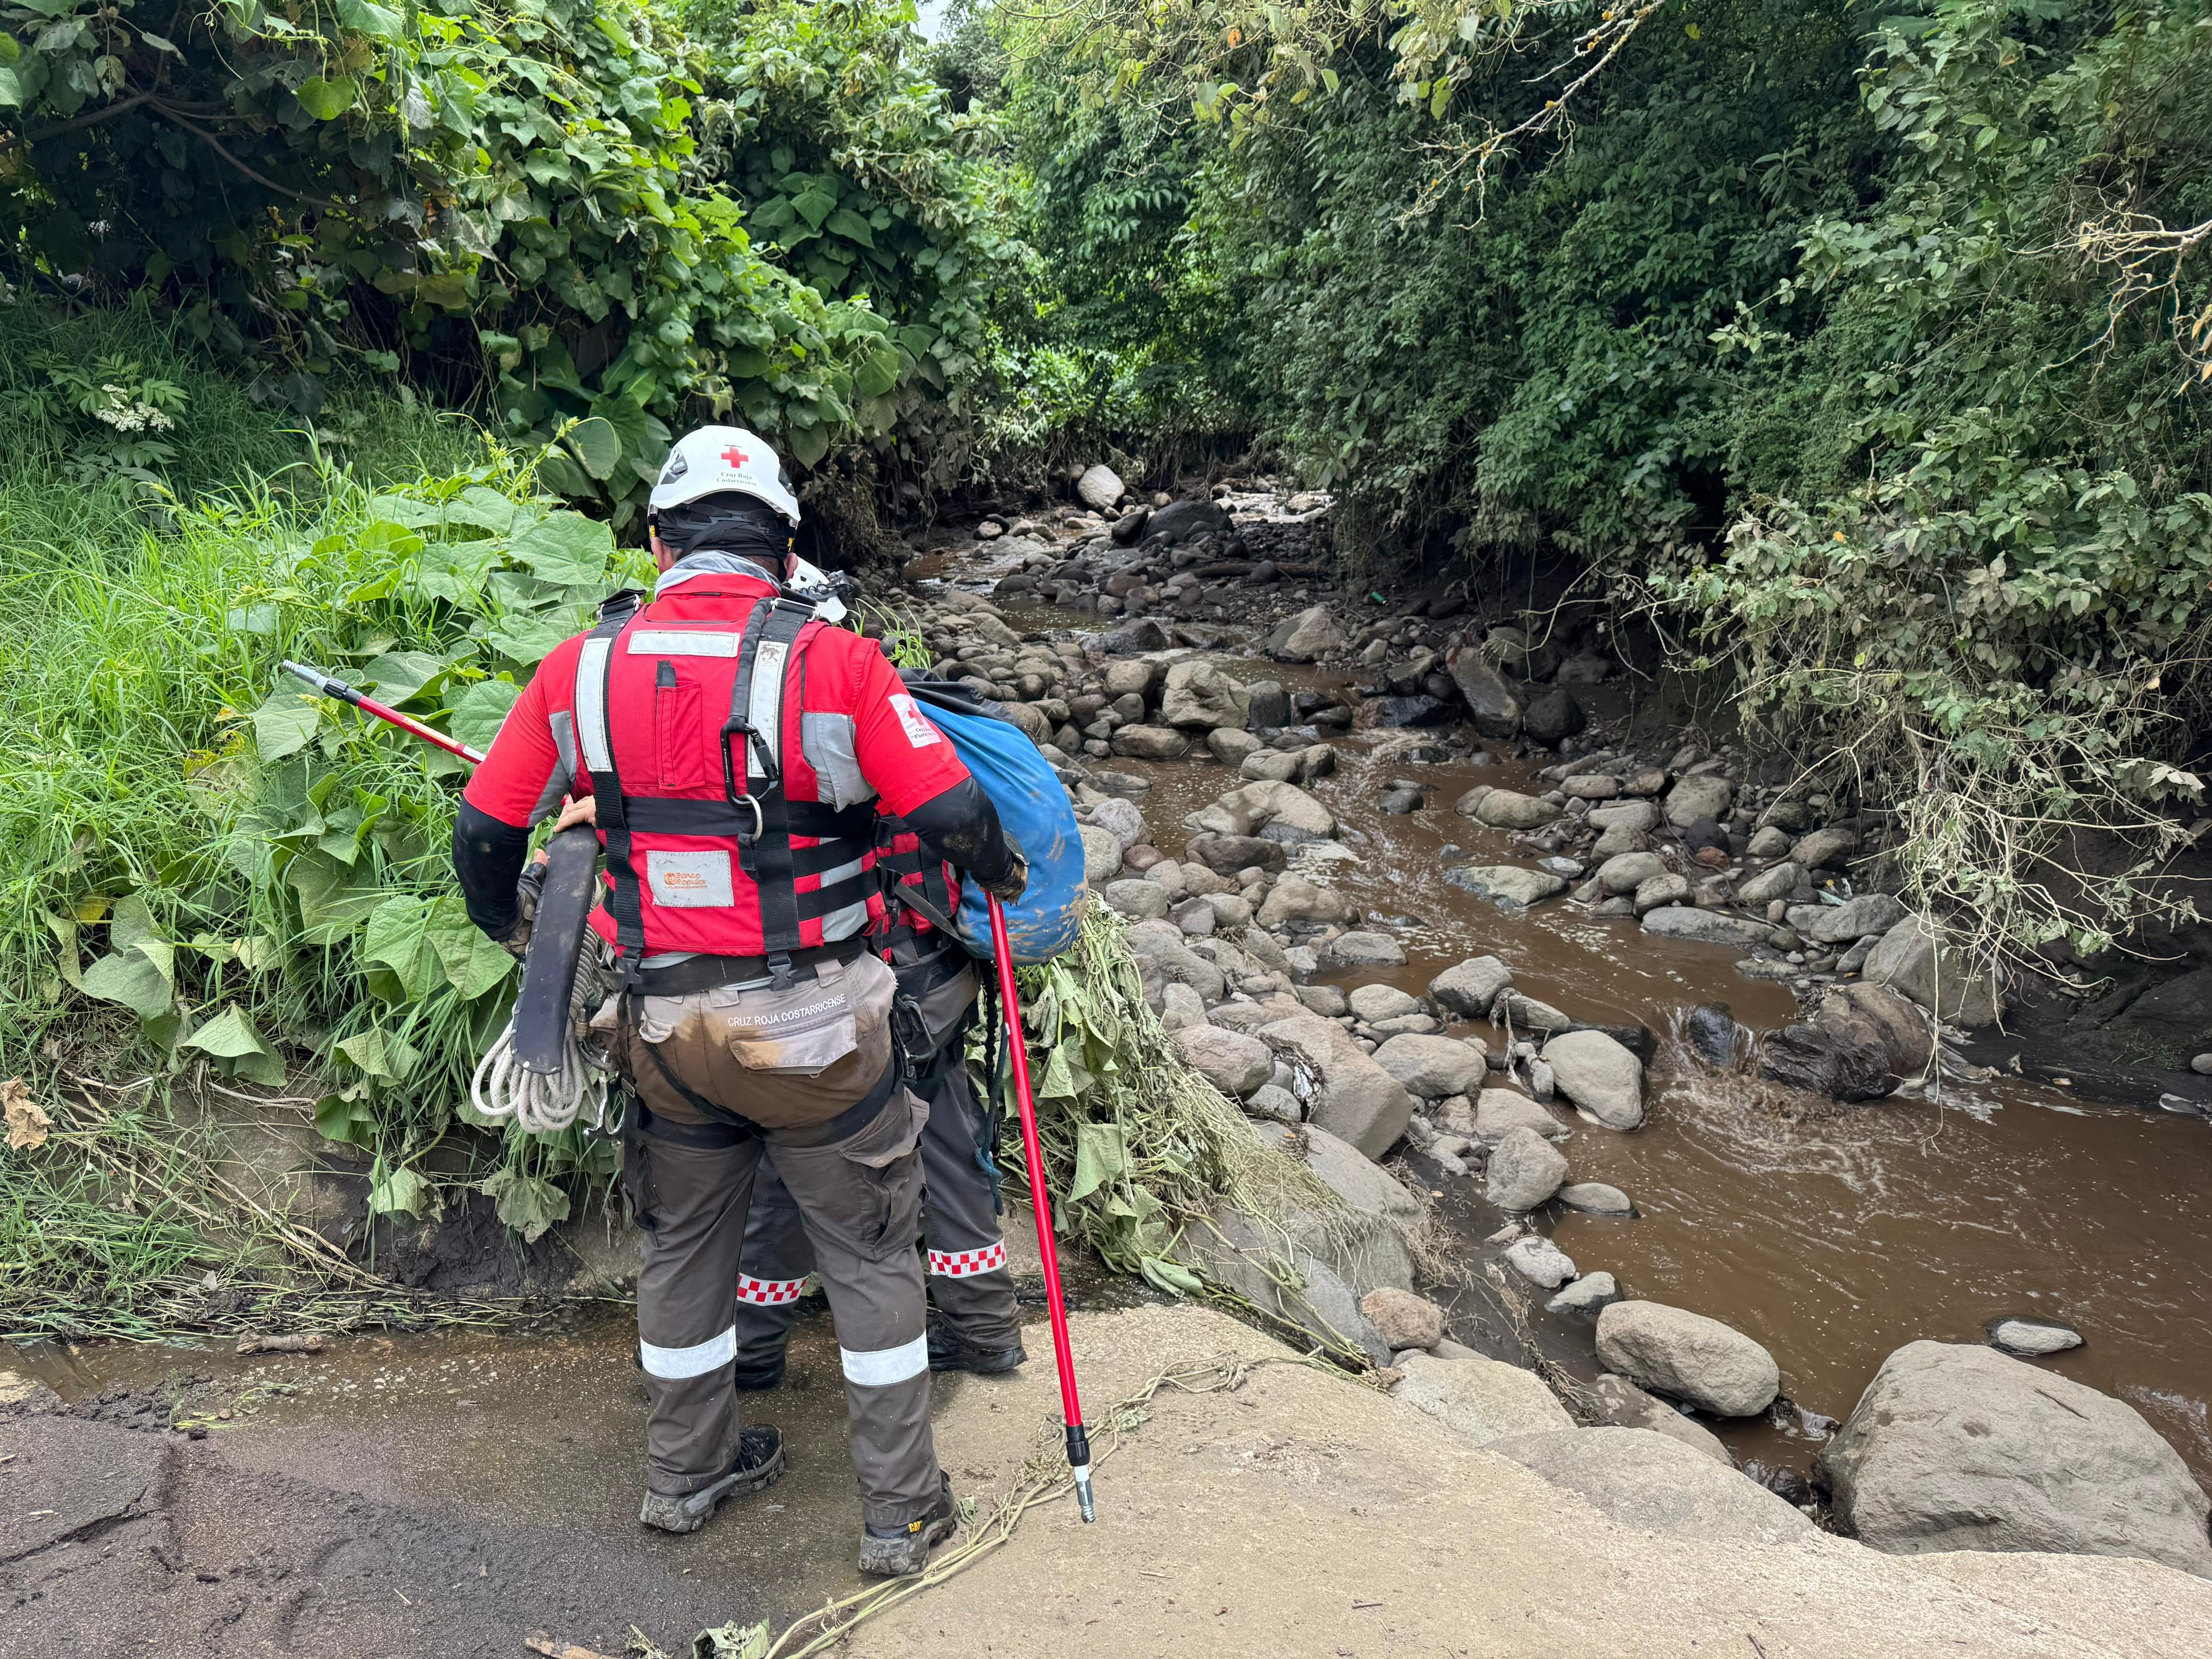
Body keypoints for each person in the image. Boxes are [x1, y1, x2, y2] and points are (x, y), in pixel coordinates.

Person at [451, 426, 1026, 1576]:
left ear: (659, 542)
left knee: (681, 1254)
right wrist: (1001, 877)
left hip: (663, 1032)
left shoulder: (580, 668)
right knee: (867, 1257)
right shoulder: (838, 663)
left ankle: (683, 1477)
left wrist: (511, 923)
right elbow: (955, 814)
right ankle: (902, 1512)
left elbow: (483, 832)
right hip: (819, 1039)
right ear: (784, 546)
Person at [726, 812, 1027, 1390]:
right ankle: (985, 1327)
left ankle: (750, 1347)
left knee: (793, 1160)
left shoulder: (805, 735)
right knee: (949, 1147)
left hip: (848, 993)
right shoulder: (931, 738)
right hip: (936, 976)